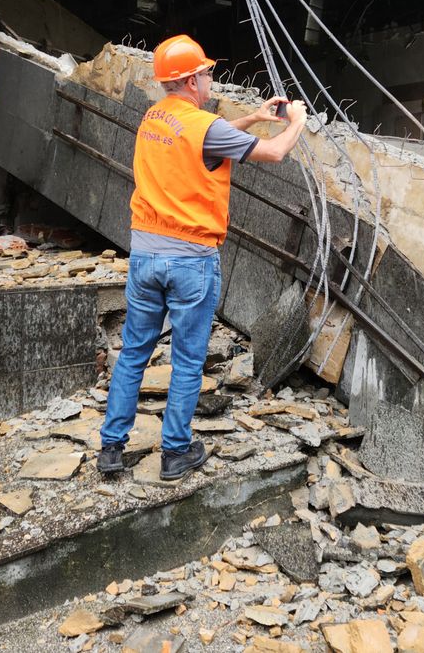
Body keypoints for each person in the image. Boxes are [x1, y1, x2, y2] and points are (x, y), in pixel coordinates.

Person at [98, 34, 308, 480]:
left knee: (134, 352)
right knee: (188, 360)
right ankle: (175, 453)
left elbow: (208, 140)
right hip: (191, 259)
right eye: (208, 72)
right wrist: (297, 123)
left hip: (145, 255)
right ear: (192, 79)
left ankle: (111, 450)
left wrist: (253, 117)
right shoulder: (204, 128)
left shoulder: (153, 119)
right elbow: (272, 152)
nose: (211, 78)